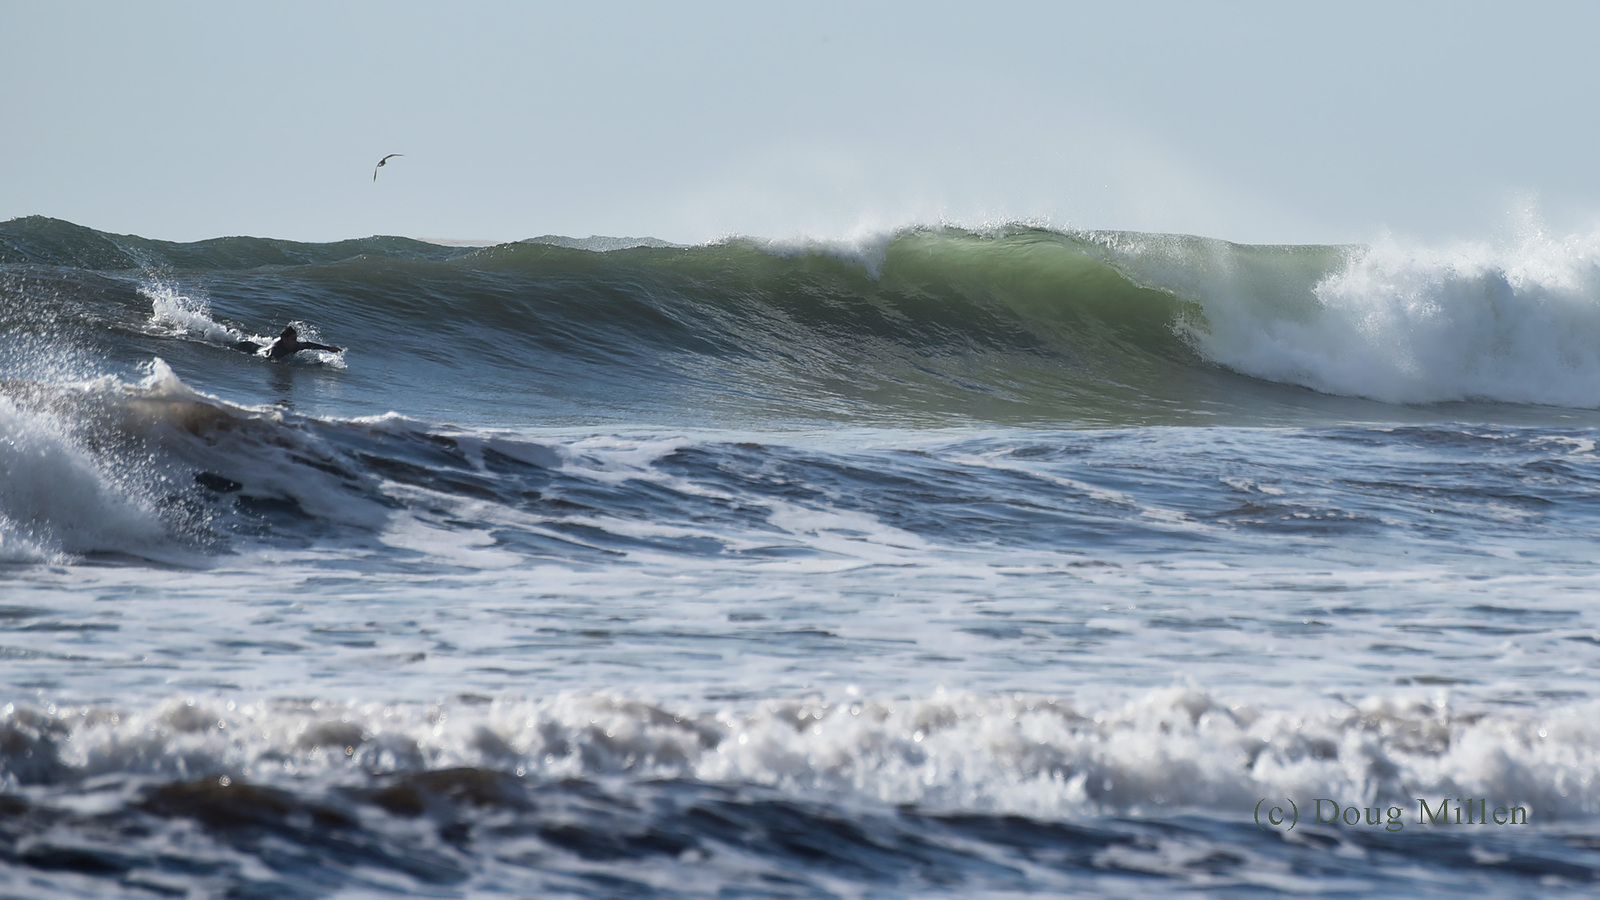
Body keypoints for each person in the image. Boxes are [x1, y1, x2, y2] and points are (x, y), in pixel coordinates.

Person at [234, 326, 343, 359]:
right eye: (293, 339)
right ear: (284, 339)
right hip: (248, 348)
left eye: (296, 339)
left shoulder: (294, 345)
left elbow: (309, 345)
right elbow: (268, 359)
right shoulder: (275, 350)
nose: (296, 342)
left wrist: (329, 348)